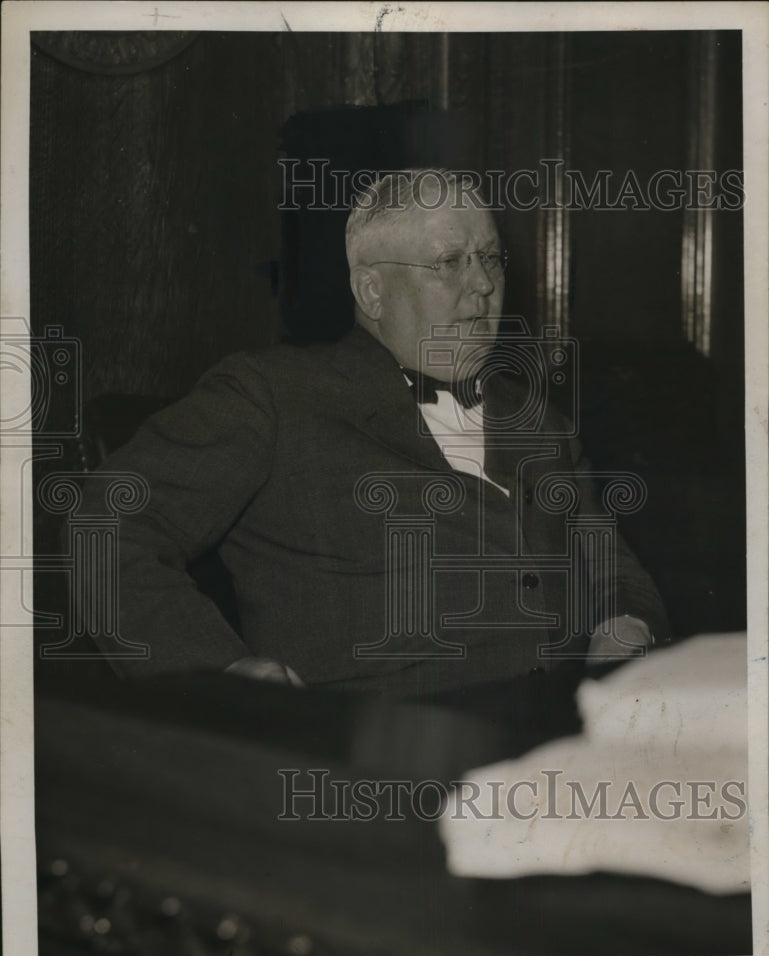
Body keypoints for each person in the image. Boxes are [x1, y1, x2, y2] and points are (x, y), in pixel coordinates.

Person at [80, 168, 669, 696]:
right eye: (450, 262)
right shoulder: (273, 396)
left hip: (561, 742)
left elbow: (613, 570)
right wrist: (221, 673)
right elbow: (107, 524)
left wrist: (625, 625)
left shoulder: (540, 420)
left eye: (491, 258)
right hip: (371, 754)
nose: (483, 285)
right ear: (371, 291)